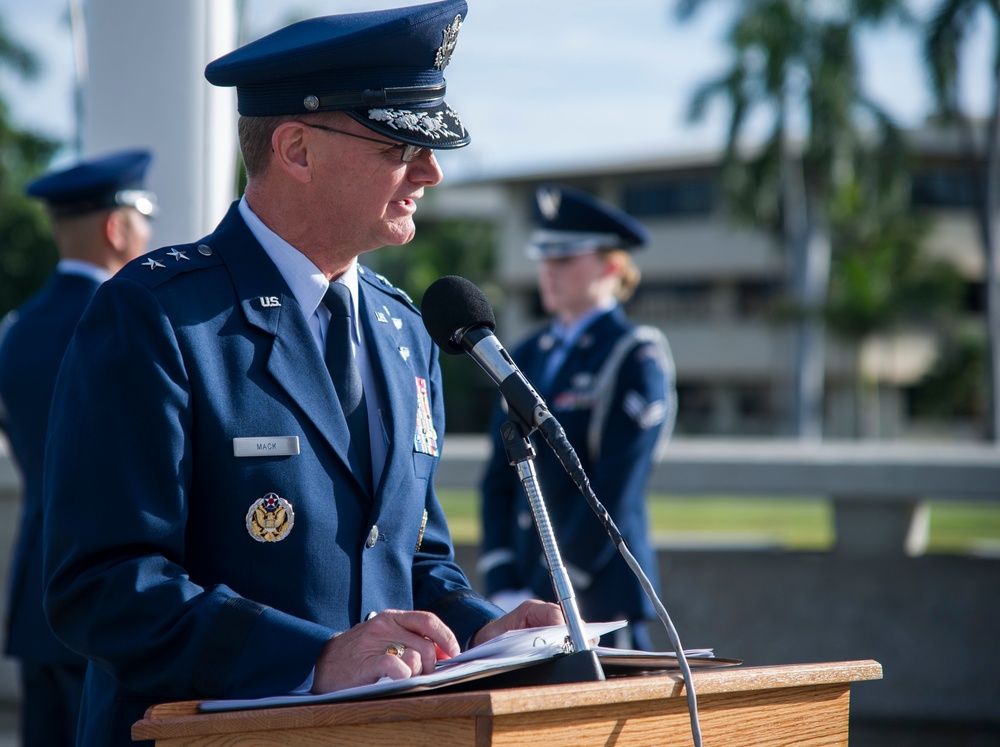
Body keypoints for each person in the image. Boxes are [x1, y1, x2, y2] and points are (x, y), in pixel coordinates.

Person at [40, 3, 561, 746]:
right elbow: (100, 585)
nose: (431, 170)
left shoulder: (407, 329)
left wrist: (486, 632)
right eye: (399, 144)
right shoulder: (157, 316)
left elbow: (412, 558)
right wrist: (311, 657)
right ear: (296, 149)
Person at [0, 148, 157, 746]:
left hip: (36, 594)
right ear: (116, 228)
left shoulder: (18, 327)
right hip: (109, 599)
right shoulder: (121, 319)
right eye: (144, 219)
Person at [479, 184, 676, 651]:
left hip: (597, 596)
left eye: (565, 259)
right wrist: (503, 578)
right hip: (525, 595)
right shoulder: (523, 352)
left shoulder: (635, 355)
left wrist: (552, 586)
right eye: (545, 258)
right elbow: (499, 476)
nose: (549, 271)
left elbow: (614, 488)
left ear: (612, 266)